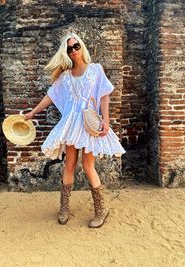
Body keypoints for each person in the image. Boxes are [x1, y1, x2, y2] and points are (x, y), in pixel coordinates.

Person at [24, 32, 126, 228]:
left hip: (88, 125)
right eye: (69, 48)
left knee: (88, 166)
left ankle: (100, 211)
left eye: (76, 46)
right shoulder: (65, 76)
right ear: (66, 53)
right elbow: (51, 96)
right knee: (69, 164)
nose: (73, 51)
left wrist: (106, 120)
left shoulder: (95, 70)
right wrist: (32, 113)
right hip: (72, 126)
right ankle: (64, 208)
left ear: (82, 47)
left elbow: (104, 95)